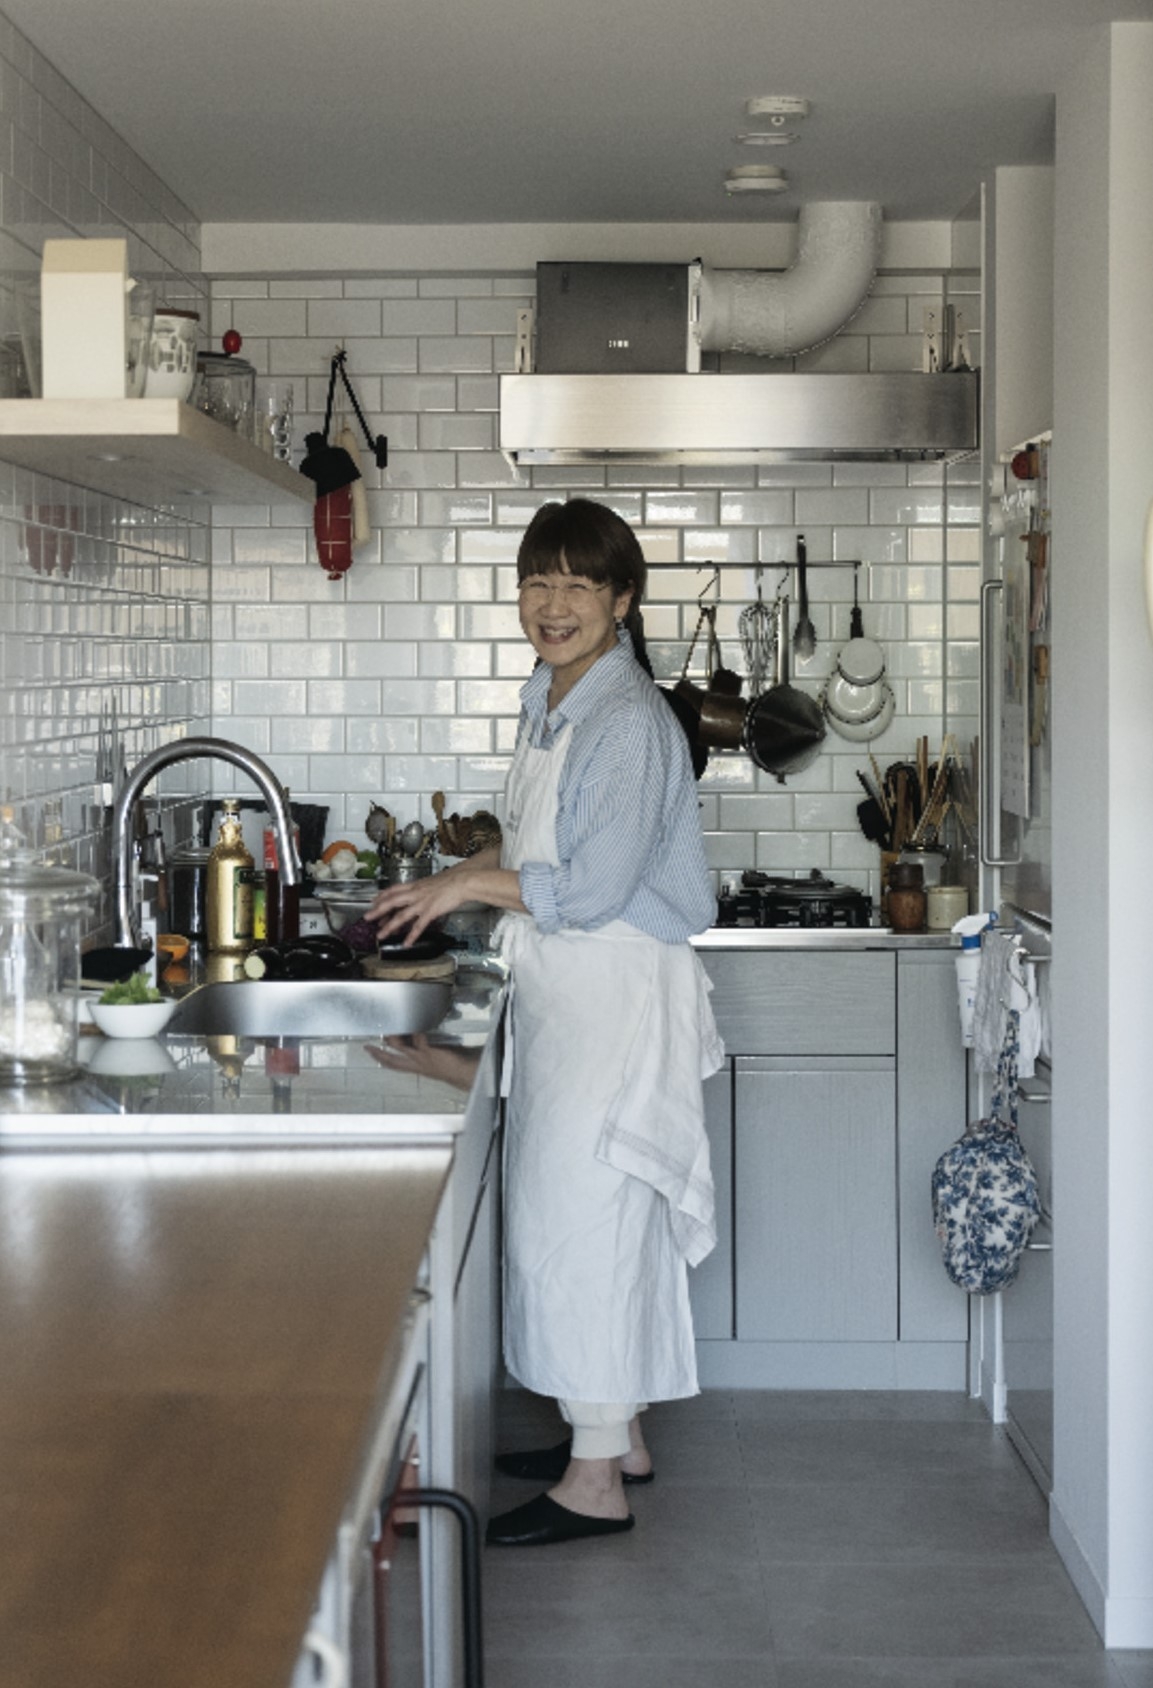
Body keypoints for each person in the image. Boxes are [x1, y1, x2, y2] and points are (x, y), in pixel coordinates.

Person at [367, 497, 723, 1546]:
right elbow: (536, 856)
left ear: (622, 599)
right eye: (537, 581)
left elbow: (597, 884)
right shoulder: (556, 700)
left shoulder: (624, 721)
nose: (552, 604)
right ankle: (615, 1434)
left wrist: (464, 884)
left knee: (590, 1218)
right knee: (596, 1215)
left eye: (578, 583)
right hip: (574, 993)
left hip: (613, 993)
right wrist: (463, 881)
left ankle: (595, 1478)